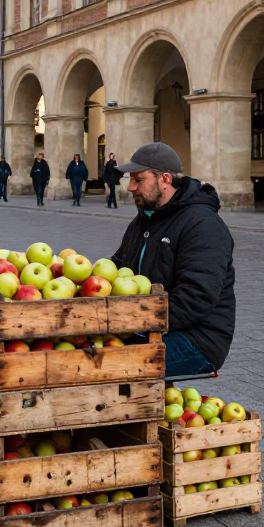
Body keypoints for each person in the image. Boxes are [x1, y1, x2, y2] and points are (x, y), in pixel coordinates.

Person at [108, 143, 235, 379]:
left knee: (111, 364)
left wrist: (134, 323)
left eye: (138, 179)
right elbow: (119, 264)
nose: (130, 187)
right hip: (150, 327)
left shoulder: (203, 225)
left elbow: (195, 298)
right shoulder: (145, 219)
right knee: (88, 354)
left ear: (164, 179)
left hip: (197, 339)